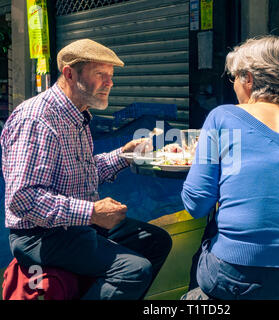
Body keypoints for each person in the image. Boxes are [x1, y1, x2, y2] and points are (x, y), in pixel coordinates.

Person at [0, 39, 172, 300]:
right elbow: (23, 199)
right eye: (100, 74)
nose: (109, 83)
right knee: (133, 270)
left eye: (111, 76)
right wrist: (91, 212)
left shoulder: (76, 115)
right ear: (70, 73)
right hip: (40, 236)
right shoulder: (36, 120)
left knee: (155, 240)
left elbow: (82, 172)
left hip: (73, 226)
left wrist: (125, 155)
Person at [181, 36, 279, 300]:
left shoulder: (221, 117)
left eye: (234, 77)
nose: (233, 85)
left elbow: (197, 203)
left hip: (236, 275)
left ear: (248, 79)